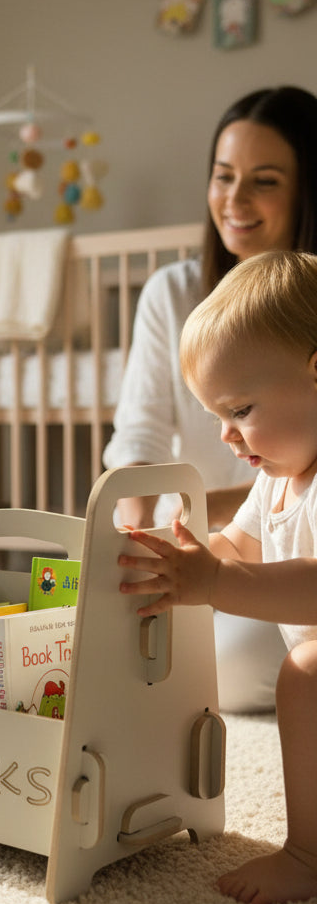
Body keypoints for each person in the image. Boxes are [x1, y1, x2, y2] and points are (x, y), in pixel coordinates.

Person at [103, 85, 317, 713]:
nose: (235, 200)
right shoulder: (174, 294)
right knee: (145, 636)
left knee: (230, 662)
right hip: (213, 528)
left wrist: (210, 556)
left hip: (253, 550)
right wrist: (134, 537)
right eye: (223, 177)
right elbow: (139, 442)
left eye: (265, 181)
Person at [118, 250, 317, 904]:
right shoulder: (276, 477)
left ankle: (307, 854)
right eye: (216, 419)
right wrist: (188, 561)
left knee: (307, 671)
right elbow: (241, 548)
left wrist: (213, 583)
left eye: (240, 409)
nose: (229, 437)